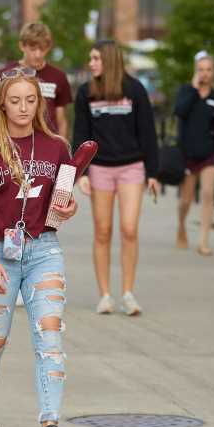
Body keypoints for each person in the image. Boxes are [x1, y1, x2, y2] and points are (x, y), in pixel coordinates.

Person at [0, 65, 77, 427]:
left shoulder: (57, 146)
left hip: (44, 249)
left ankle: (51, 422)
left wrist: (67, 209)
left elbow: (63, 204)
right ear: (2, 104)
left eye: (30, 100)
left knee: (51, 337)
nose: (24, 107)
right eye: (15, 101)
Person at [73, 40, 159, 316]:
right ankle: (105, 295)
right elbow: (81, 135)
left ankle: (128, 294)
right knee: (103, 230)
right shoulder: (87, 92)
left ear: (109, 60)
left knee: (129, 229)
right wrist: (81, 173)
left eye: (96, 58)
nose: (91, 63)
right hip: (99, 168)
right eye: (90, 58)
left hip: (131, 167)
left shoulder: (135, 89)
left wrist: (153, 172)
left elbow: (148, 133)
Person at [174, 52, 214, 256]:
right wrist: (193, 89)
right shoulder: (186, 91)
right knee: (186, 199)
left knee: (208, 194)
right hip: (188, 152)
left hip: (210, 153)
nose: (205, 73)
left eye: (208, 70)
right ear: (195, 71)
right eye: (201, 69)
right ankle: (181, 226)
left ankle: (203, 242)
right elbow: (180, 112)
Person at [0, 22, 73, 140]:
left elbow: (62, 120)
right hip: (11, 142)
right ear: (22, 46)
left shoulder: (59, 76)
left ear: (48, 47)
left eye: (42, 49)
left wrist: (63, 147)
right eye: (33, 49)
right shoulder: (5, 74)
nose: (38, 54)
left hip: (48, 143)